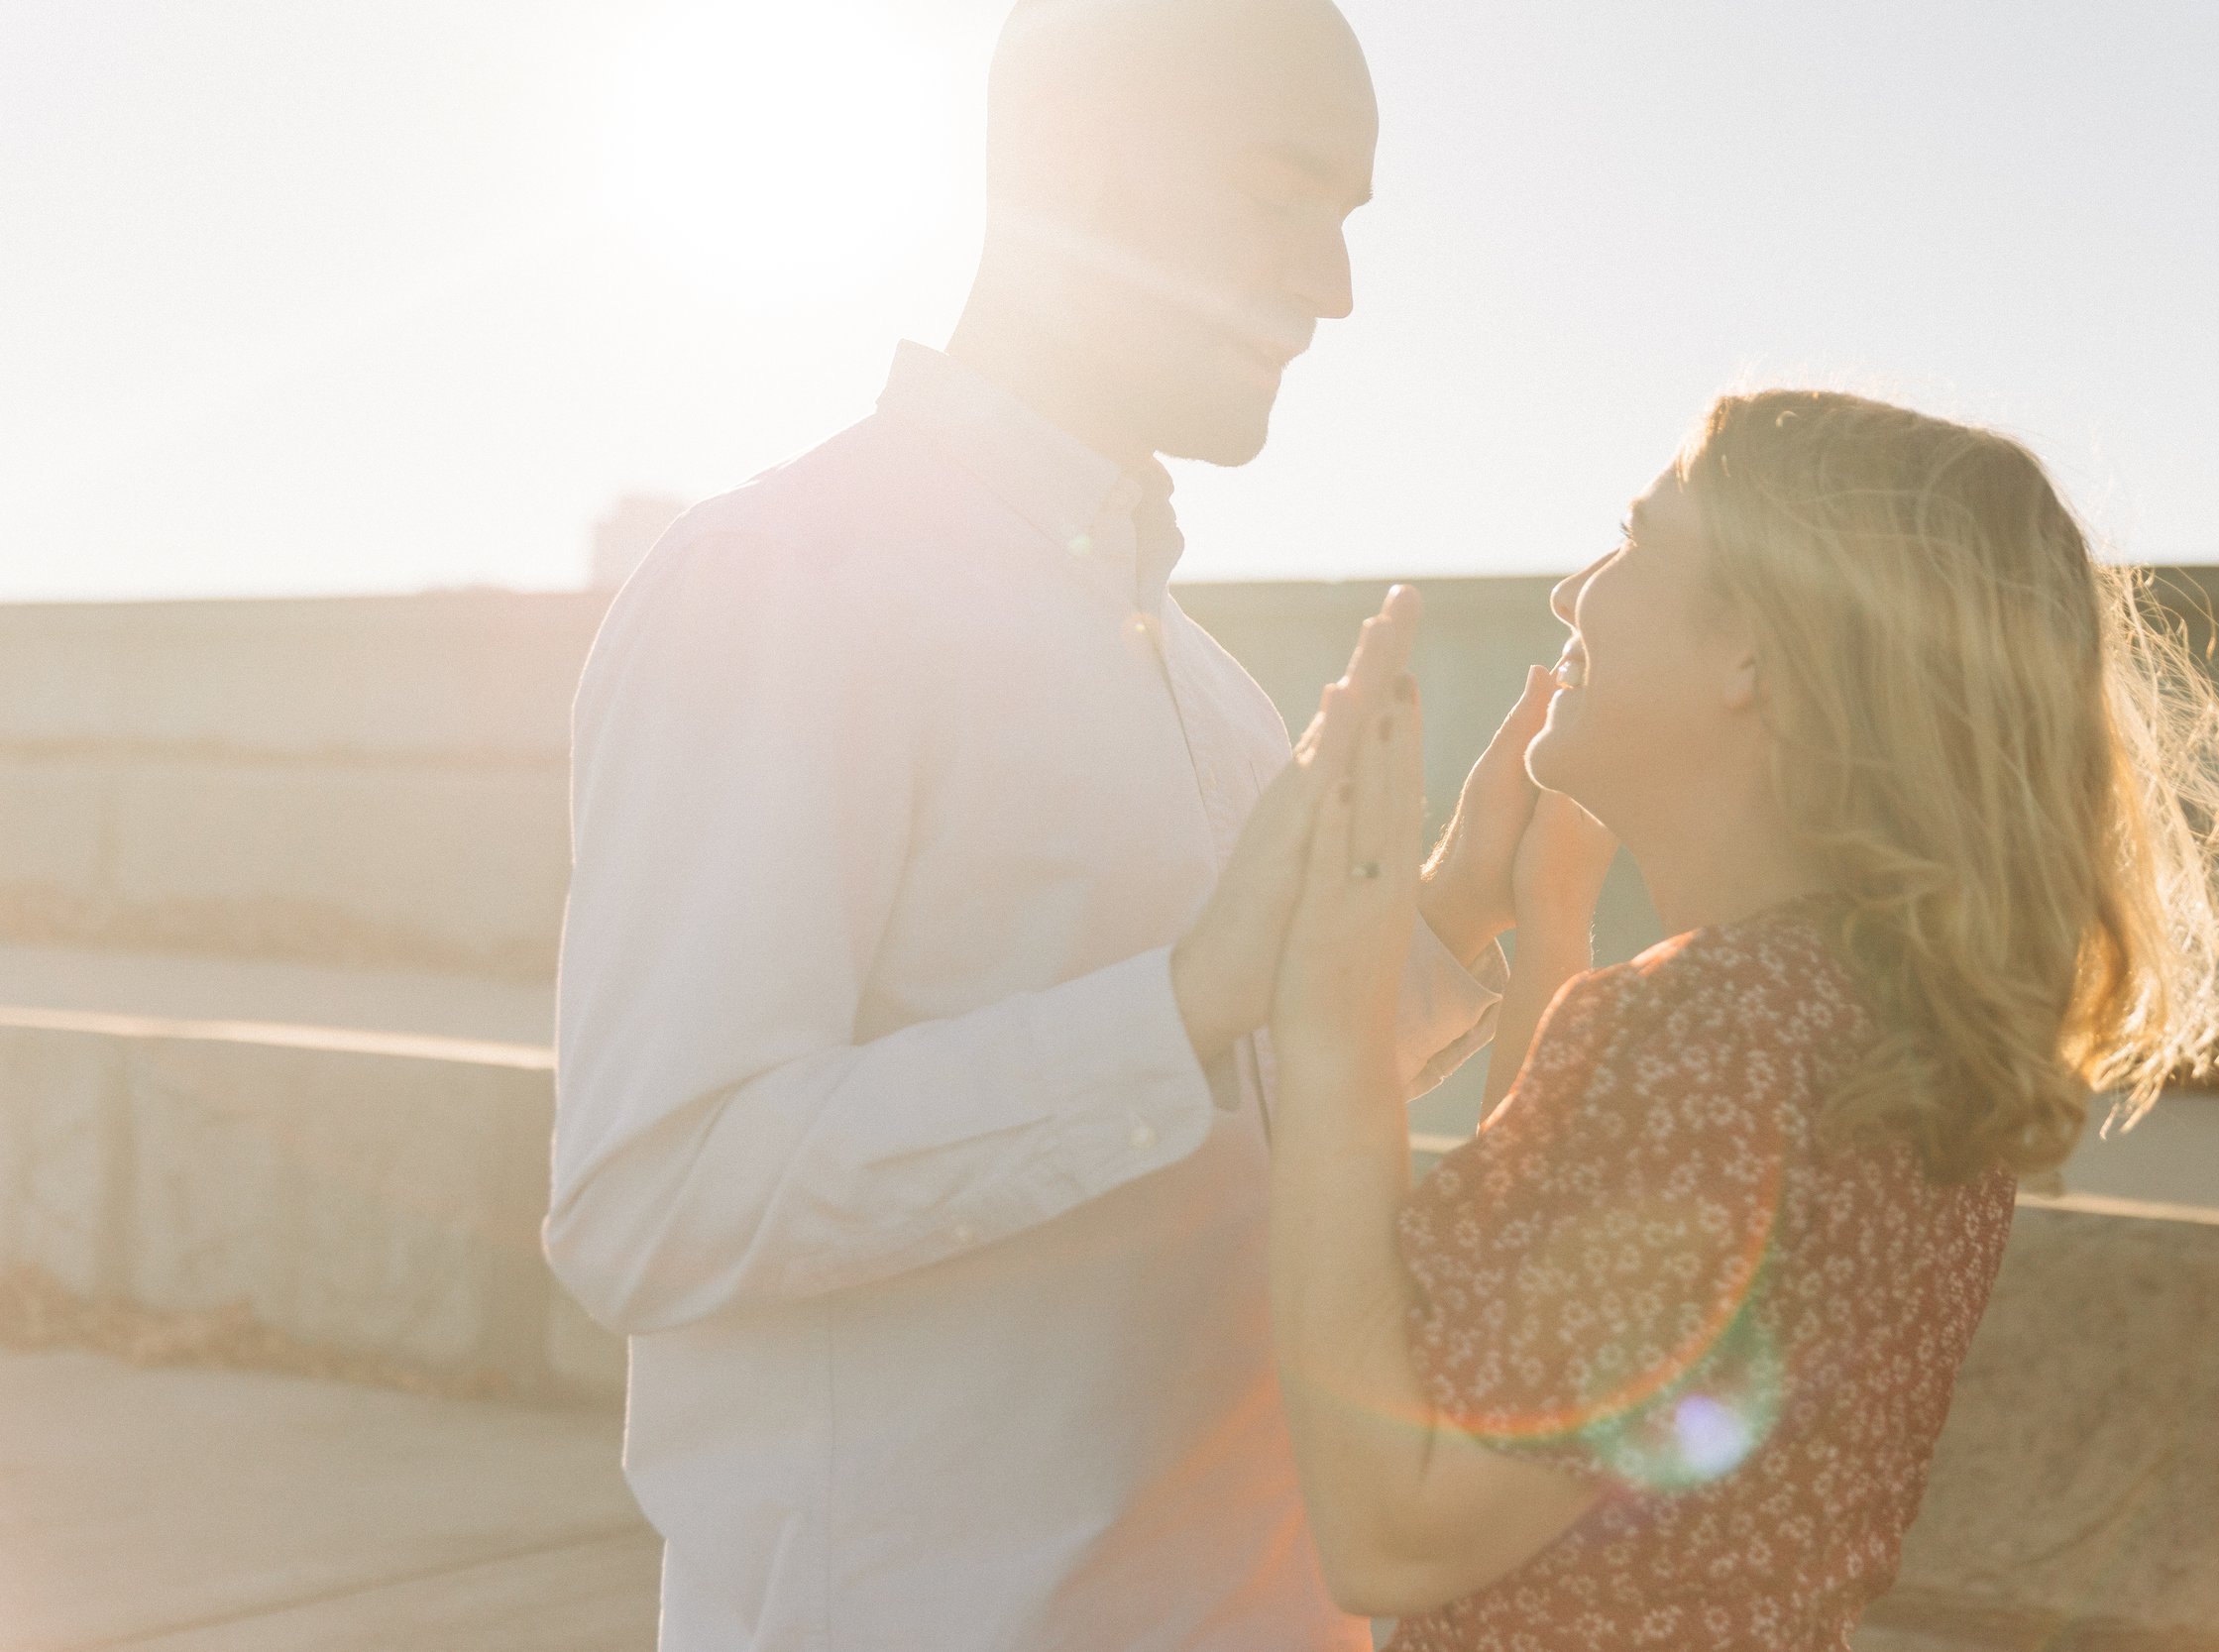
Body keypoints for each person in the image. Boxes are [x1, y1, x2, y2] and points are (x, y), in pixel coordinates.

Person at [544, 1, 1551, 1647]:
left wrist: (1448, 919)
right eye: (1287, 193)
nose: (1336, 284)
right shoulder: (787, 578)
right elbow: (652, 1203)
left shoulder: (1204, 676)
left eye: (1349, 221)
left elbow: (1216, 1103)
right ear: (1086, 163)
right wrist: (1181, 1001)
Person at [1256, 390, 2219, 1649]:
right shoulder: (1862, 1024)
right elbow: (1546, 1352)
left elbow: (1396, 1531)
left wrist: (1332, 1026)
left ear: (1759, 658)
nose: (1575, 592)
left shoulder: (1708, 1034)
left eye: (1632, 541)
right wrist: (1550, 935)